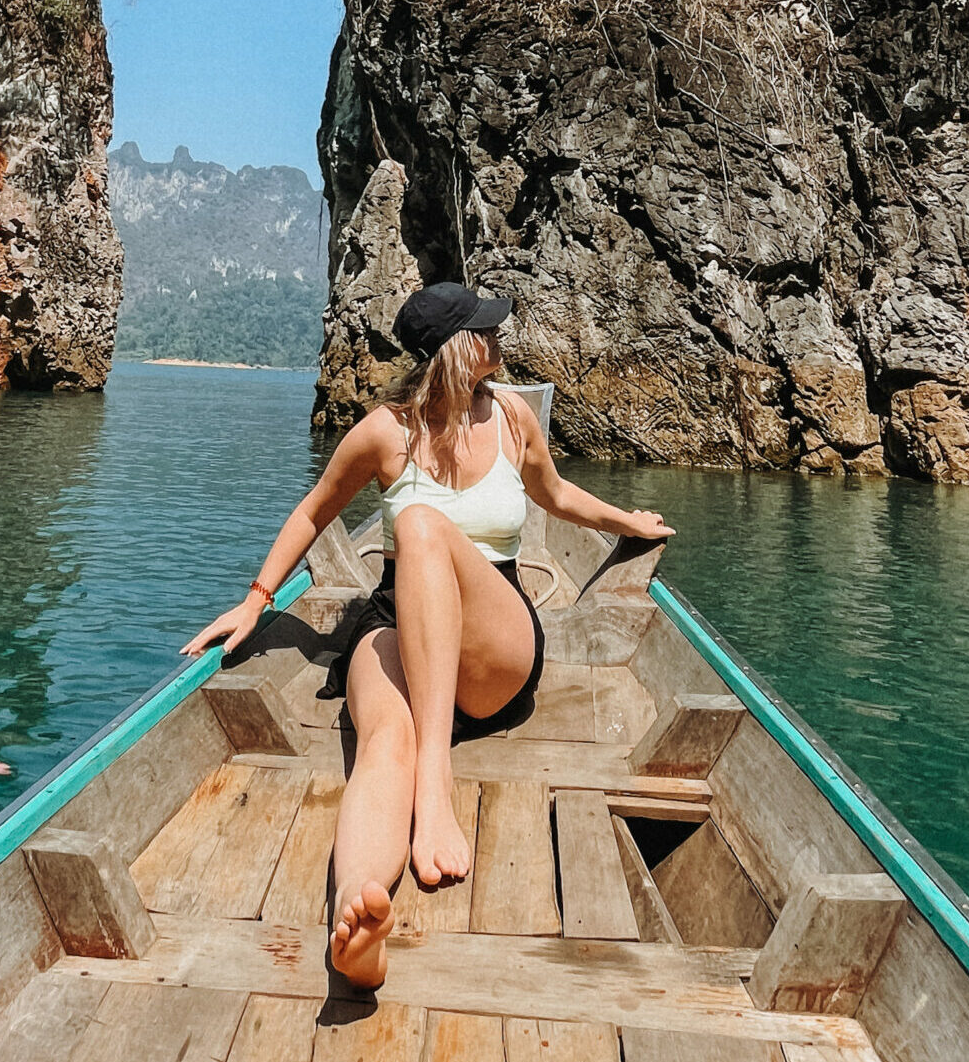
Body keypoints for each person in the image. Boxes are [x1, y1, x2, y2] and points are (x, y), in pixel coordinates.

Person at [181, 282, 674, 989]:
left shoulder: (510, 417)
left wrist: (629, 522)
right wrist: (256, 601)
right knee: (384, 741)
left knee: (418, 524)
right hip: (394, 622)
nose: (501, 339)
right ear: (456, 349)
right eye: (487, 330)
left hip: (493, 641)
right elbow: (314, 510)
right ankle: (354, 920)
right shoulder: (385, 431)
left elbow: (556, 495)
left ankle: (433, 786)